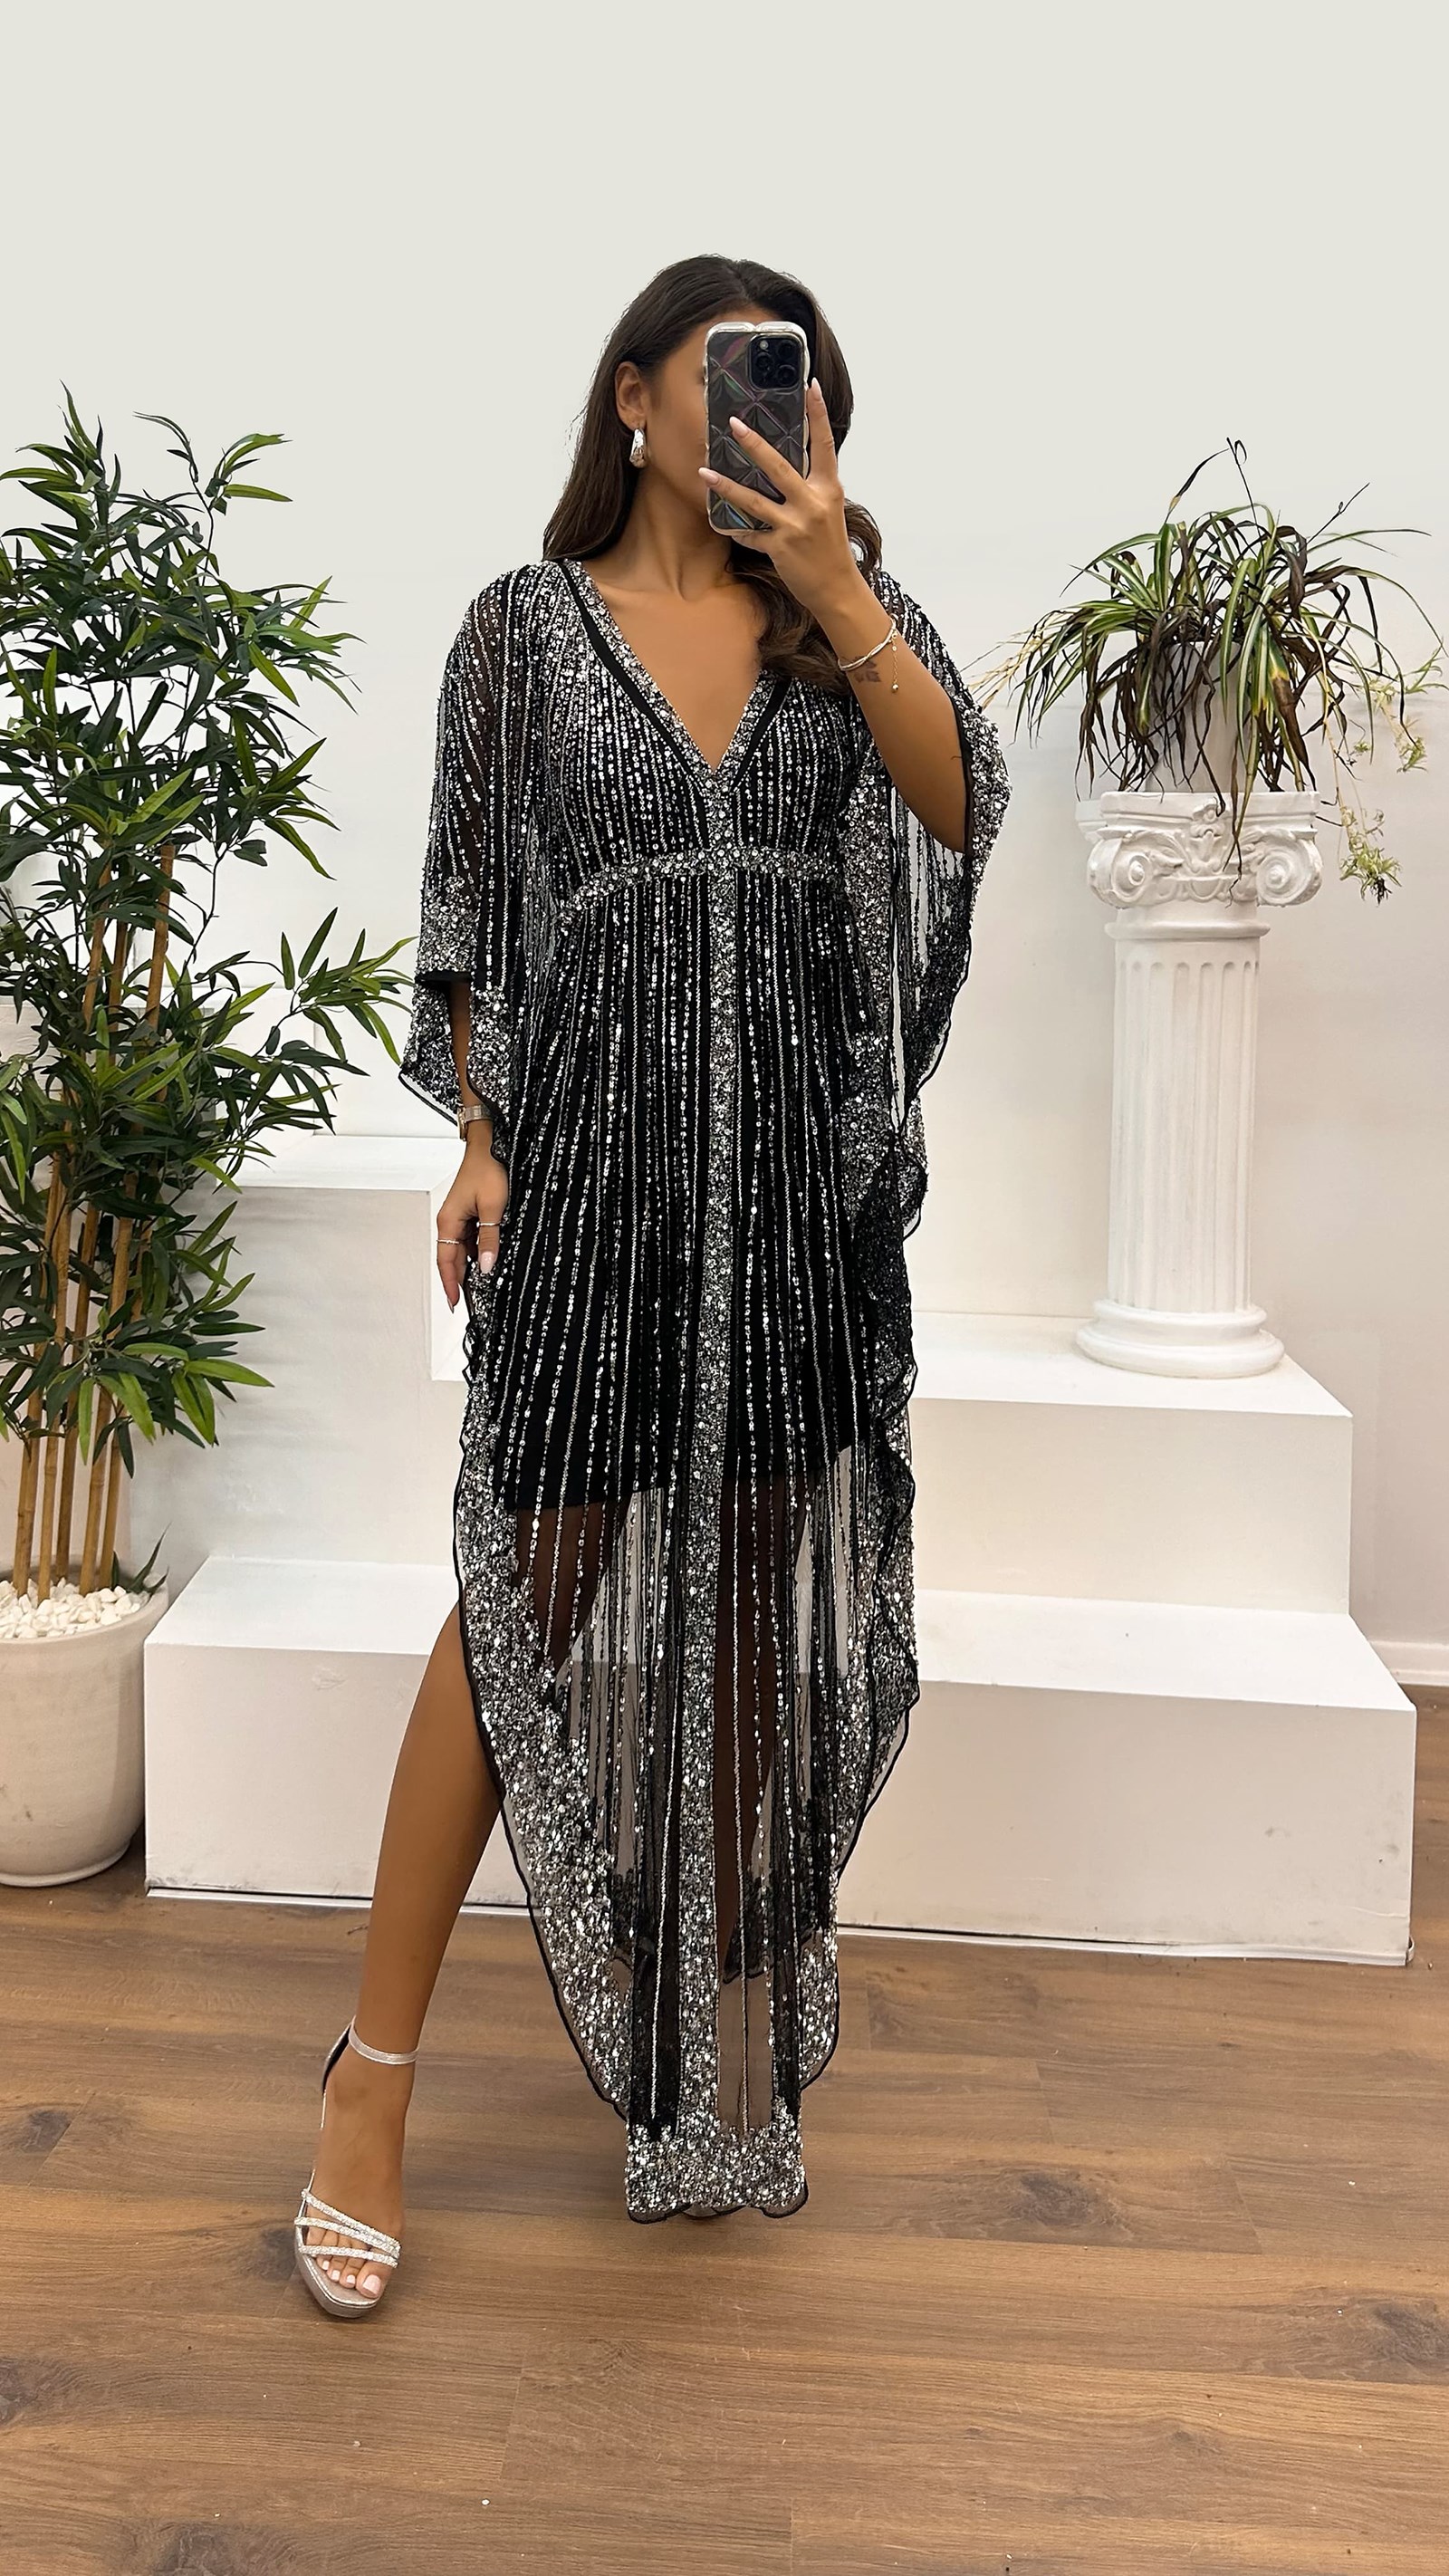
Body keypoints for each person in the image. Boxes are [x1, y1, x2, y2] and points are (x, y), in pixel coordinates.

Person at [293, 253, 1009, 2314]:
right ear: (631, 399)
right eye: (730, 374)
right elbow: (470, 906)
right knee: (521, 1594)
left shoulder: (839, 626)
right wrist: (481, 1133)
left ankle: (709, 2058)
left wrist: (841, 587)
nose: (772, 412)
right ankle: (369, 2081)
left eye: (802, 387)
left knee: (753, 1607)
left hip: (788, 1210)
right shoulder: (520, 635)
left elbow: (960, 806)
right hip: (596, 1199)